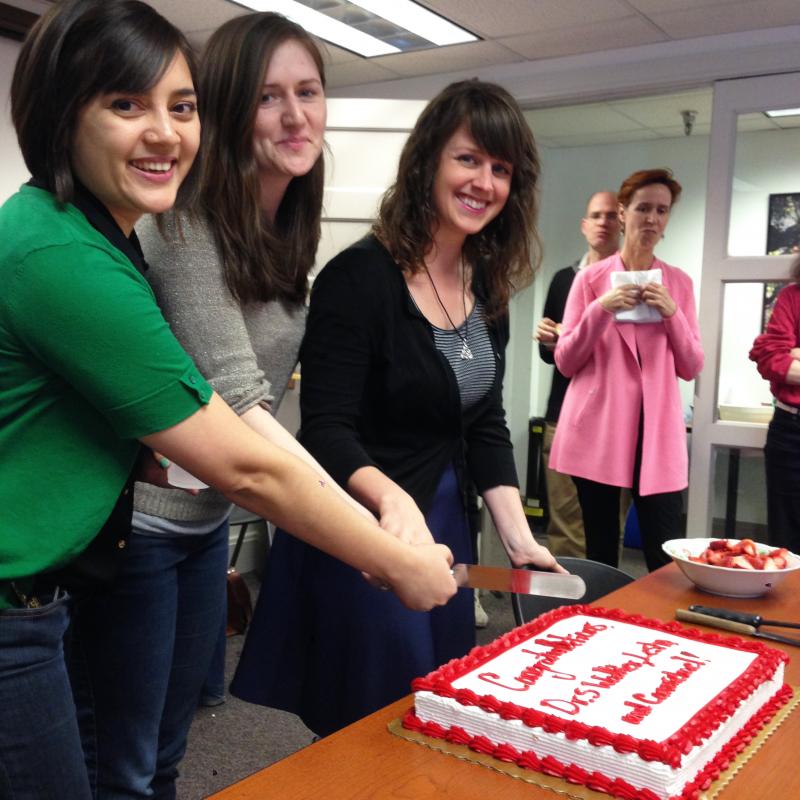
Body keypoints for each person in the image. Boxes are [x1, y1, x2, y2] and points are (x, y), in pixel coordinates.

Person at [0, 3, 455, 798]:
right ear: (60, 114)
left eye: (180, 107)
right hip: (50, 579)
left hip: (89, 565)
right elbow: (247, 453)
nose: (165, 133)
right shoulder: (73, 250)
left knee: (144, 755)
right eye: (125, 104)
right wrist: (385, 556)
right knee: (122, 763)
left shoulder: (108, 235)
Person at [66, 11, 350, 798]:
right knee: (123, 762)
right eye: (268, 97)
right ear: (226, 110)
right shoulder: (184, 221)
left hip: (203, 522)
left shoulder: (284, 229)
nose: (296, 116)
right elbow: (240, 399)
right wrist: (361, 534)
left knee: (168, 748)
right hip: (141, 525)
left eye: (309, 92)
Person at [231, 79, 562, 736]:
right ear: (429, 161)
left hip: (444, 526)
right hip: (364, 527)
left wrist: (520, 543)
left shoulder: (486, 280)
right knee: (370, 721)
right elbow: (325, 429)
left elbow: (486, 424)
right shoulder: (359, 279)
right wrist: (393, 503)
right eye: (469, 159)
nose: (484, 182)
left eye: (501, 169)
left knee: (432, 708)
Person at [549, 168, 703, 572]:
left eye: (662, 210)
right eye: (643, 208)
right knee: (600, 550)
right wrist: (602, 309)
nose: (652, 218)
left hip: (656, 435)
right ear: (623, 212)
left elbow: (691, 366)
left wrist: (672, 314)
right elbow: (565, 360)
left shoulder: (680, 284)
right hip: (598, 429)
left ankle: (660, 631)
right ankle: (604, 624)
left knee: (663, 552)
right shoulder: (590, 280)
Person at [536, 191, 620, 557]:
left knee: (606, 526)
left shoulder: (632, 282)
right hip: (565, 415)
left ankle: (606, 605)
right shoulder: (563, 280)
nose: (603, 222)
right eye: (596, 216)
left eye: (611, 216)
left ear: (623, 223)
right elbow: (549, 354)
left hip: (614, 421)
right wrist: (550, 340)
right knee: (565, 524)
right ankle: (564, 606)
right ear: (585, 226)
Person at [749, 254, 800, 553]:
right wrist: (785, 355)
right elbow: (770, 359)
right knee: (787, 544)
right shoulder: (792, 297)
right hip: (791, 431)